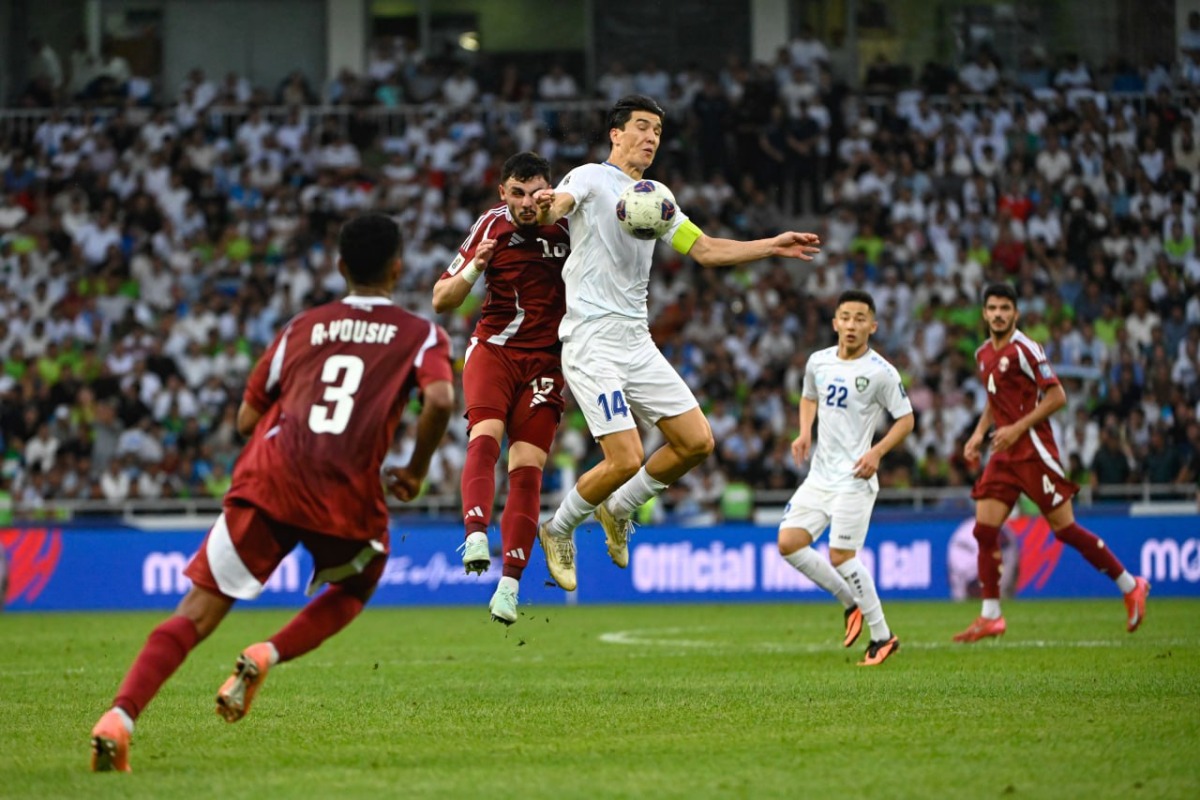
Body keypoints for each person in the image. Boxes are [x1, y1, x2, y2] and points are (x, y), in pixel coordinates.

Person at [89, 214, 455, 772]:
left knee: (197, 612)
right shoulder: (421, 333)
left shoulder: (301, 326)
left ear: (339, 268)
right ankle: (268, 651)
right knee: (357, 585)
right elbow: (441, 400)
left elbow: (244, 419)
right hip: (343, 488)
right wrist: (416, 467)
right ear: (398, 268)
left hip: (271, 475)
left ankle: (120, 715)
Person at [532, 94, 820, 590]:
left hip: (635, 340)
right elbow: (557, 207)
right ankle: (556, 529)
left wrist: (772, 245)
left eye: (658, 132)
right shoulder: (587, 178)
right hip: (591, 339)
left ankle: (619, 508)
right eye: (641, 128)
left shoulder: (655, 196)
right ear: (615, 134)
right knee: (624, 456)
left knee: (696, 442)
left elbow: (706, 250)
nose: (650, 138)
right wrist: (544, 206)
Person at [955, 283, 1150, 643]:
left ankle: (1131, 584)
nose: (998, 314)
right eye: (993, 308)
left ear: (1016, 312)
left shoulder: (1026, 349)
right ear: (984, 313)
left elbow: (1057, 395)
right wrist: (978, 433)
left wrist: (1015, 428)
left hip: (1033, 450)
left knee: (1065, 530)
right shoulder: (983, 354)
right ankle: (991, 616)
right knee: (984, 530)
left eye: (1005, 308)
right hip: (1004, 452)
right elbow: (994, 397)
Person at [432, 152, 569, 625]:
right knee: (485, 435)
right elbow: (441, 299)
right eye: (518, 194)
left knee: (528, 470)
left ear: (550, 190)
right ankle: (474, 533)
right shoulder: (489, 226)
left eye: (537, 193)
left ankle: (509, 587)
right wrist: (474, 269)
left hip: (547, 363)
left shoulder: (572, 223)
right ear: (502, 194)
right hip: (494, 350)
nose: (529, 203)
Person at [776, 290, 914, 666]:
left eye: (859, 319)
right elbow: (808, 397)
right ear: (835, 322)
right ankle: (849, 602)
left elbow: (906, 420)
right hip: (821, 474)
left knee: (841, 555)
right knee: (789, 542)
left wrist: (877, 452)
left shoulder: (881, 372)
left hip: (855, 476)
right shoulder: (818, 362)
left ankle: (883, 636)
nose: (851, 325)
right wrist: (804, 432)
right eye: (845, 317)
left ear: (873, 326)